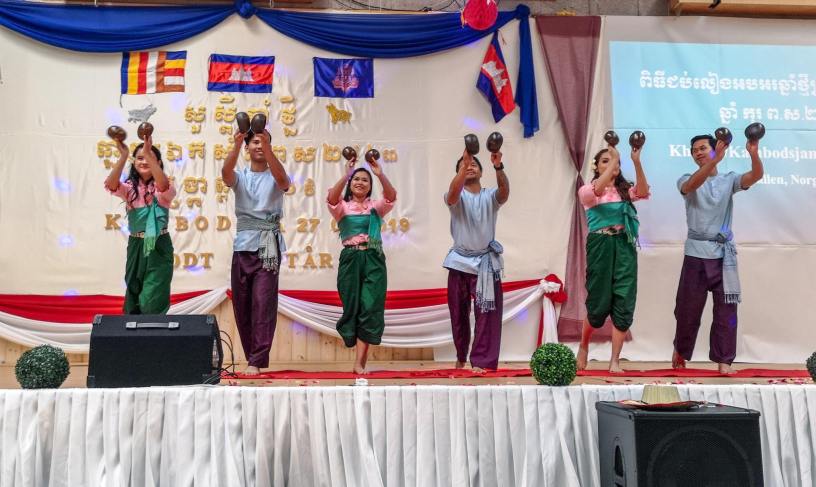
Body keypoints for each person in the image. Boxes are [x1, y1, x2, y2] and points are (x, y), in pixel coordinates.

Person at [672, 134, 764, 374]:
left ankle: (724, 361)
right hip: (695, 254)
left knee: (726, 310)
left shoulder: (729, 180)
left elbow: (755, 176)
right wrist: (713, 161)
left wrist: (753, 153)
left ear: (715, 149)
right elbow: (690, 187)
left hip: (723, 257)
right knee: (687, 308)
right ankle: (681, 350)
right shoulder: (685, 178)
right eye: (694, 150)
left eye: (703, 148)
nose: (698, 152)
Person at [576, 144, 650, 373]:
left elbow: (644, 191)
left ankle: (614, 361)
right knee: (598, 301)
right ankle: (584, 346)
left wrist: (635, 161)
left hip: (624, 245)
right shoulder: (588, 190)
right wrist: (615, 158)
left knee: (624, 298)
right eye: (605, 161)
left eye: (614, 161)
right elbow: (597, 190)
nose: (612, 164)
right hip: (601, 245)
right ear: (596, 167)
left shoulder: (624, 191)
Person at [222, 127, 290, 376]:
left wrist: (269, 148)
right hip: (242, 246)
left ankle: (257, 360)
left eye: (264, 142)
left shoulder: (276, 175)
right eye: (255, 142)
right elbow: (225, 173)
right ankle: (252, 354)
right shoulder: (240, 176)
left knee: (263, 303)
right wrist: (237, 145)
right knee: (242, 304)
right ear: (248, 147)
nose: (259, 145)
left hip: (267, 248)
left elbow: (284, 182)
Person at [327, 152, 397, 374]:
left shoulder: (375, 207)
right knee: (352, 307)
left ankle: (360, 364)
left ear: (369, 186)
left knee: (370, 307)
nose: (360, 182)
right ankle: (355, 350)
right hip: (350, 259)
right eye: (356, 179)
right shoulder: (342, 207)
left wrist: (380, 173)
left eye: (365, 180)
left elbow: (391, 197)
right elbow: (331, 197)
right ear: (351, 183)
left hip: (373, 258)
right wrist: (346, 174)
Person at [443, 148, 509, 372]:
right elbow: (453, 192)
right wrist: (463, 166)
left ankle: (482, 362)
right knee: (458, 314)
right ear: (459, 171)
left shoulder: (490, 196)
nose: (470, 166)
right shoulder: (455, 195)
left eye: (473, 164)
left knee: (488, 314)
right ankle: (461, 357)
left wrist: (498, 166)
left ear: (481, 171)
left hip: (485, 265)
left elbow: (504, 192)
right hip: (459, 262)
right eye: (464, 164)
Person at [105, 134, 176, 314]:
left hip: (159, 246)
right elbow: (111, 184)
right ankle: (134, 339)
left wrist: (147, 152)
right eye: (140, 157)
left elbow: (163, 186)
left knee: (152, 298)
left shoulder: (164, 187)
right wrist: (123, 156)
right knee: (133, 294)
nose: (144, 161)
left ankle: (153, 337)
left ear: (158, 163)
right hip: (136, 246)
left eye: (150, 157)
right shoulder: (130, 189)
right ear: (134, 162)